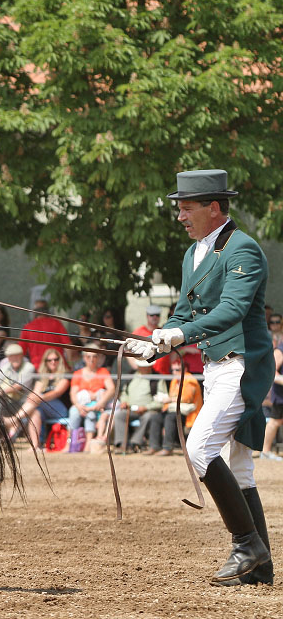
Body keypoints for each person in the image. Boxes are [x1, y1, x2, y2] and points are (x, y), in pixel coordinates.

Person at [125, 168, 273, 586]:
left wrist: (179, 335)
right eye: (179, 209)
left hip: (240, 364)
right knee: (240, 470)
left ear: (214, 207)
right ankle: (259, 570)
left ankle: (246, 544)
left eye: (186, 208)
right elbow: (185, 312)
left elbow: (232, 310)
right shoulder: (194, 254)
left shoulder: (242, 250)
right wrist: (155, 342)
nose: (180, 216)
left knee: (199, 449)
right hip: (215, 365)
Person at [3, 347, 70, 448]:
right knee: (35, 413)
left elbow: (57, 393)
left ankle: (14, 420)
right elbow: (35, 392)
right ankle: (35, 445)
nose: (53, 362)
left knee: (37, 400)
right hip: (42, 406)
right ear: (45, 362)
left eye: (56, 359)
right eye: (49, 360)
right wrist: (33, 396)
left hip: (60, 409)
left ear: (60, 361)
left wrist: (39, 397)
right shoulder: (42, 377)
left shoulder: (64, 375)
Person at [153, 353, 203, 455]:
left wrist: (169, 400)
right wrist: (166, 405)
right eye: (173, 370)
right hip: (177, 410)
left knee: (170, 417)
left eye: (177, 370)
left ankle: (168, 448)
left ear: (185, 370)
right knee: (156, 417)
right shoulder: (174, 381)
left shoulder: (190, 380)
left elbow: (186, 399)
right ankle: (154, 446)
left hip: (190, 413)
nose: (174, 372)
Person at [67, 347, 115, 452]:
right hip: (81, 404)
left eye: (94, 356)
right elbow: (73, 393)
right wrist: (78, 406)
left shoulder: (103, 371)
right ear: (84, 358)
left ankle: (88, 443)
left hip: (97, 404)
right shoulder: (78, 373)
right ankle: (70, 442)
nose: (91, 359)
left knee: (91, 414)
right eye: (89, 356)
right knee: (73, 412)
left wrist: (101, 403)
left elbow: (111, 389)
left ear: (98, 358)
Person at [111, 359, 164, 453]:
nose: (142, 368)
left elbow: (161, 399)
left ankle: (135, 443)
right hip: (130, 409)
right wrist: (124, 401)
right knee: (119, 415)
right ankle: (121, 444)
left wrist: (146, 407)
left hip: (149, 410)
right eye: (141, 366)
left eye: (145, 366)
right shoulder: (132, 376)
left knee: (148, 417)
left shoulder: (158, 378)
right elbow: (124, 393)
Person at [18, 299, 72, 369]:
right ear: (47, 310)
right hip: (57, 366)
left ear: (34, 312)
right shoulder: (56, 323)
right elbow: (68, 346)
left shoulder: (28, 327)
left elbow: (21, 351)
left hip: (38, 367)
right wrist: (70, 364)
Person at [0, 343, 35, 418]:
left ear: (21, 355)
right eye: (11, 356)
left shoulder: (29, 367)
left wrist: (0, 392)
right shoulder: (5, 367)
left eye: (17, 355)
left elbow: (19, 386)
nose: (14, 358)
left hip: (22, 402)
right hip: (7, 401)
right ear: (8, 358)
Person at [262, 337, 283, 461]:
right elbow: (272, 371)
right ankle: (265, 451)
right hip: (280, 395)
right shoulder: (280, 350)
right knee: (275, 421)